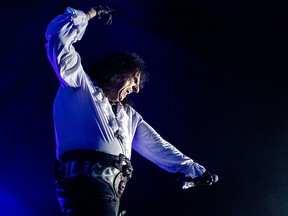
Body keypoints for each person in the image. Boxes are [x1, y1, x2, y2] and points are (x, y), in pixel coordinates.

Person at [45, 5, 218, 216]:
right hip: (83, 186)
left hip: (109, 194)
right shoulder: (80, 86)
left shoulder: (129, 117)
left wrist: (193, 169)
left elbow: (157, 146)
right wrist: (91, 13)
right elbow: (58, 41)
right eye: (134, 79)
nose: (136, 88)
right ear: (117, 71)